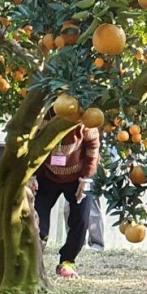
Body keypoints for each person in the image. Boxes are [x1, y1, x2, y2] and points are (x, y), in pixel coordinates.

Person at [33, 120, 100, 279]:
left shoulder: (85, 119)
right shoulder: (45, 116)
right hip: (47, 176)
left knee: (81, 219)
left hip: (78, 179)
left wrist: (87, 178)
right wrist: (32, 175)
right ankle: (34, 258)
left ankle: (67, 261)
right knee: (37, 217)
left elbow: (93, 146)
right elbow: (32, 147)